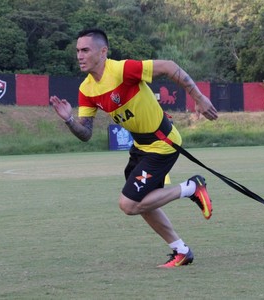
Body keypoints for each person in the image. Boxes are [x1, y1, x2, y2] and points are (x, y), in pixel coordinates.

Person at [49, 28, 218, 268]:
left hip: (163, 142)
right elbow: (85, 134)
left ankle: (192, 187)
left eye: (85, 50)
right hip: (141, 146)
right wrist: (69, 120)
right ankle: (181, 251)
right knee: (141, 202)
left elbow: (169, 66)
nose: (79, 55)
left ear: (103, 51)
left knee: (128, 204)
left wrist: (199, 98)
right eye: (77, 51)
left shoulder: (122, 70)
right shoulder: (86, 89)